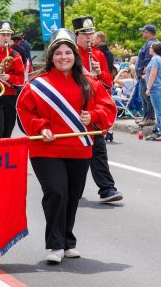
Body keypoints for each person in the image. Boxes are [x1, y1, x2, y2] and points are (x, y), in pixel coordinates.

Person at [17, 28, 116, 264]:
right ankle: (55, 244)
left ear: (74, 55)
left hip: (79, 148)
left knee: (72, 195)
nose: (64, 57)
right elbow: (24, 111)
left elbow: (108, 108)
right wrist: (41, 127)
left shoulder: (89, 83)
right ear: (51, 56)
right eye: (59, 53)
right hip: (46, 149)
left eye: (68, 53)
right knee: (56, 192)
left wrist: (92, 116)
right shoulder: (37, 84)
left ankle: (67, 241)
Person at [72, 16, 122, 203]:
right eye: (85, 33)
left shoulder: (99, 54)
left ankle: (107, 188)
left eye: (91, 33)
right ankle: (73, 189)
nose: (89, 36)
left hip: (92, 109)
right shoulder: (69, 52)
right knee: (76, 152)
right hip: (73, 108)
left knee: (98, 148)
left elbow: (108, 83)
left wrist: (99, 72)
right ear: (77, 34)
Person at [145, 43, 161, 141]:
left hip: (155, 88)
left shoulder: (155, 59)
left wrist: (148, 87)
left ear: (154, 49)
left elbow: (153, 73)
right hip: (160, 87)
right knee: (159, 111)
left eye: (150, 48)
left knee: (159, 112)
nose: (149, 49)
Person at [136, 24, 159, 126]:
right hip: (144, 76)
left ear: (148, 33)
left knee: (147, 97)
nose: (142, 33)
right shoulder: (151, 42)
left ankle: (150, 118)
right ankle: (146, 117)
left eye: (144, 31)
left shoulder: (152, 43)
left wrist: (144, 74)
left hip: (146, 76)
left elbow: (148, 61)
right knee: (144, 97)